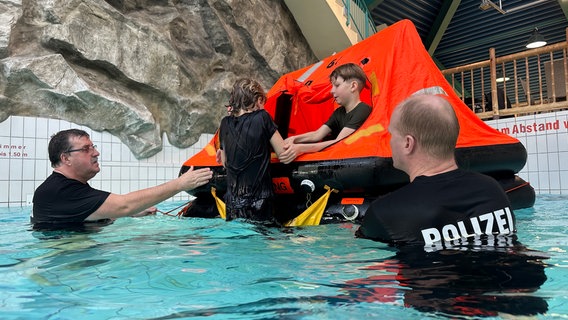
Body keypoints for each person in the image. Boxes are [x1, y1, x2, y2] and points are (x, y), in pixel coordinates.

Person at [356, 94, 515, 248]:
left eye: (392, 134)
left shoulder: (385, 211)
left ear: (407, 144)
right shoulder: (492, 189)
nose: (390, 141)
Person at [32, 129, 213, 228]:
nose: (96, 152)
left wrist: (130, 213)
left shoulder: (66, 189)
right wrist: (180, 184)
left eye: (93, 147)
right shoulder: (60, 191)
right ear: (65, 158)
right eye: (86, 149)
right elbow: (124, 204)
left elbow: (82, 218)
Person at [218, 78, 295, 223]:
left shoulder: (225, 123)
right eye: (262, 103)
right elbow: (284, 154)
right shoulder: (262, 117)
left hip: (233, 204)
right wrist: (303, 147)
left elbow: (225, 162)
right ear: (258, 99)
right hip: (259, 202)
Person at [280, 62, 372, 160]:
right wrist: (293, 139)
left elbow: (339, 142)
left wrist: (301, 148)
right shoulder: (339, 112)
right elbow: (317, 134)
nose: (332, 91)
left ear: (353, 86)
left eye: (337, 85)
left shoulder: (363, 110)